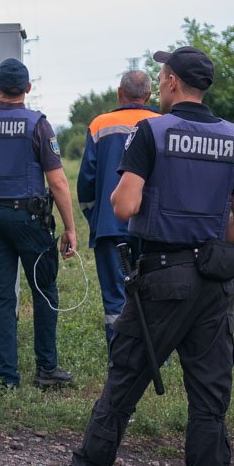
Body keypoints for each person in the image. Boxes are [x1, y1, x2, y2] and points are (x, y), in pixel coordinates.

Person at [39, 46, 234, 466]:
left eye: (163, 74)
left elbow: (123, 204)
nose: (159, 81)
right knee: (209, 393)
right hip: (214, 284)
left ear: (175, 82)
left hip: (161, 277)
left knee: (125, 378)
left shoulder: (151, 131)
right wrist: (204, 243)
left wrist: (158, 221)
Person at [0, 58, 78, 390]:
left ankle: (8, 378)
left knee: (0, 296)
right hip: (29, 219)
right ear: (27, 88)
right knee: (43, 290)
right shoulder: (37, 124)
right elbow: (58, 183)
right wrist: (70, 227)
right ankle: (46, 370)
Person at [79, 70, 160, 344]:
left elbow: (86, 182)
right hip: (153, 229)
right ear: (149, 95)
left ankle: (120, 359)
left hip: (110, 227)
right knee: (154, 294)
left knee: (115, 300)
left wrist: (96, 217)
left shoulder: (100, 125)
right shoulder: (164, 123)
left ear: (119, 92)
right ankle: (153, 359)